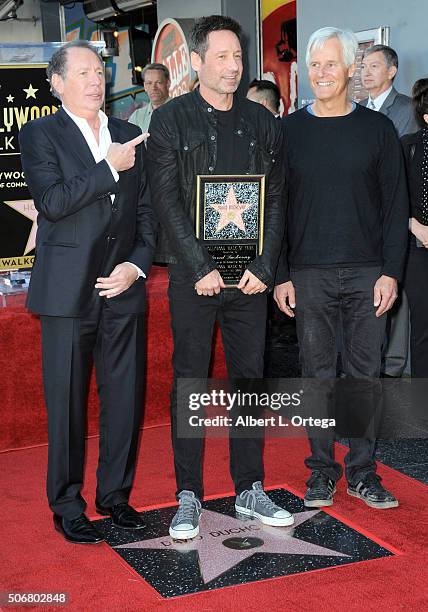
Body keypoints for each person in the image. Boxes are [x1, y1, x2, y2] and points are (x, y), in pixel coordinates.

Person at [147, 15, 293, 540]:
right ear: (200, 61)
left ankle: (249, 487)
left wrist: (265, 265)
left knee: (248, 381)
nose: (234, 67)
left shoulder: (264, 123)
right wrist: (199, 267)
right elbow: (165, 200)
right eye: (223, 57)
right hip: (196, 280)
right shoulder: (171, 121)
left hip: (249, 282)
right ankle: (189, 495)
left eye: (239, 57)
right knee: (191, 382)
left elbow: (276, 199)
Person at [19, 41, 156, 544]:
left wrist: (135, 267)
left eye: (99, 71)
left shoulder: (126, 133)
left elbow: (147, 215)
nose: (95, 81)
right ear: (56, 83)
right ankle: (67, 503)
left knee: (124, 399)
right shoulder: (39, 134)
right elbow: (52, 202)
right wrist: (108, 167)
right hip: (66, 292)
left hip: (122, 287)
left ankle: (115, 496)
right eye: (82, 73)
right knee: (68, 401)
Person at [274, 27, 408, 510]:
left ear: (352, 68)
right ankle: (321, 473)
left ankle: (364, 472)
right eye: (314, 65)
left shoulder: (377, 131)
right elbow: (276, 208)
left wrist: (391, 271)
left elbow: (396, 207)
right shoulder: (288, 132)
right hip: (307, 274)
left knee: (363, 377)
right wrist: (281, 273)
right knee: (317, 377)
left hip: (368, 273)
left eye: (331, 64)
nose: (322, 73)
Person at [361, 44, 419, 377]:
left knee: (400, 294)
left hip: (400, 216)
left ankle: (397, 367)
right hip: (367, 219)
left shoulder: (407, 110)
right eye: (364, 66)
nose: (366, 73)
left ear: (392, 71)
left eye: (374, 66)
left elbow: (410, 171)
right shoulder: (358, 110)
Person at [401, 78, 428, 379]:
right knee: (423, 328)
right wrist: (415, 226)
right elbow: (393, 200)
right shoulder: (407, 148)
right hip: (419, 250)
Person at [128, 63, 171, 133]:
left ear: (168, 83)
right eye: (149, 83)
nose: (153, 88)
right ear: (145, 86)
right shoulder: (136, 117)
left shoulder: (181, 110)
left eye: (158, 82)